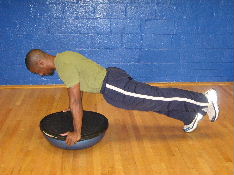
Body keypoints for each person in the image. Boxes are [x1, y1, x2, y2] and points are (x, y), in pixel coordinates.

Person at [25, 49, 220, 146]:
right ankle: (189, 117)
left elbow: (75, 99)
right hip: (112, 82)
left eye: (38, 71)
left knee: (157, 97)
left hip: (114, 86)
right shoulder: (64, 58)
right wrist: (73, 107)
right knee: (152, 103)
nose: (41, 74)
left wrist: (77, 131)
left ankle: (203, 100)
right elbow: (79, 87)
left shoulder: (63, 65)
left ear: (41, 62)